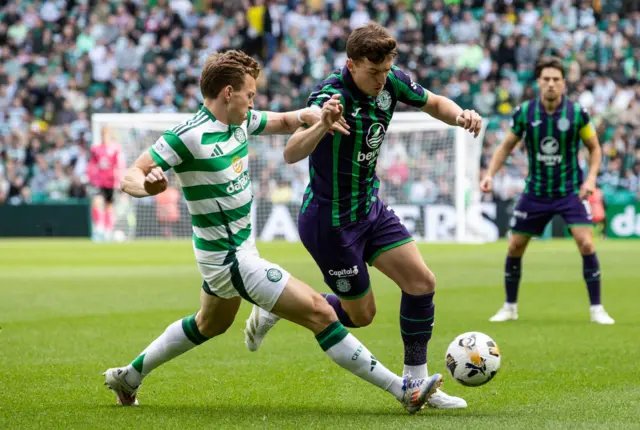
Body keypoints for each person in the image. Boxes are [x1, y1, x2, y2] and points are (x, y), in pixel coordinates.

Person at [103, 50, 442, 413]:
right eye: (249, 95)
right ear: (228, 93)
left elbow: (283, 120)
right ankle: (403, 389)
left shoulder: (240, 122)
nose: (253, 102)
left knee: (209, 323)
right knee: (320, 312)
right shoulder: (188, 136)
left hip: (231, 253)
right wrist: (151, 186)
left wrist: (313, 115)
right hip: (231, 260)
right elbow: (130, 177)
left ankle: (129, 376)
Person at [243, 23, 482, 409]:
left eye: (386, 71)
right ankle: (282, 304)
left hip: (369, 209)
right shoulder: (329, 96)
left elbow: (435, 101)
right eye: (374, 72)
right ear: (351, 64)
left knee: (421, 282)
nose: (381, 80)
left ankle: (416, 385)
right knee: (362, 316)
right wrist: (321, 123)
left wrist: (461, 115)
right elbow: (290, 152)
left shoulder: (391, 83)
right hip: (330, 222)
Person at [479, 56, 615, 325]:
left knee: (586, 243)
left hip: (570, 192)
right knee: (515, 245)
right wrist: (490, 174)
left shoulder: (577, 113)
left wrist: (590, 180)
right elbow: (506, 146)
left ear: (563, 82)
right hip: (536, 192)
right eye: (546, 79)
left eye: (556, 79)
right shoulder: (525, 113)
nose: (551, 84)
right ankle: (510, 306)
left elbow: (595, 148)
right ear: (539, 83)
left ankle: (597, 308)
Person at [87, 127, 124, 241]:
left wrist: (120, 180)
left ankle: (108, 230)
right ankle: (99, 227)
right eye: (103, 134)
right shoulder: (95, 149)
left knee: (108, 205)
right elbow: (92, 164)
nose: (105, 136)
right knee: (96, 201)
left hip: (111, 182)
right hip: (99, 181)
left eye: (107, 134)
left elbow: (119, 165)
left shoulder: (115, 148)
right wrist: (89, 176)